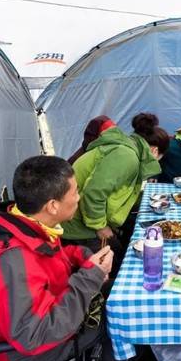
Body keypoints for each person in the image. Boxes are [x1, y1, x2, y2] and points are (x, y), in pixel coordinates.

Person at [0, 155, 150, 361]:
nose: (79, 197)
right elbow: (34, 336)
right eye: (75, 192)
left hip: (51, 309)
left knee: (122, 293)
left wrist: (82, 256)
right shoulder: (11, 265)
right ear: (52, 206)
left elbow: (51, 259)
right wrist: (90, 277)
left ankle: (128, 351)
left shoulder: (25, 224)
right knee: (116, 315)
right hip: (28, 354)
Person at [62, 112, 169, 273]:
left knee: (121, 250)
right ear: (154, 151)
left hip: (86, 219)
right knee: (117, 264)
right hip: (78, 224)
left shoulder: (128, 149)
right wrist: (100, 226)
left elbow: (119, 192)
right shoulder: (126, 155)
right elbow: (93, 193)